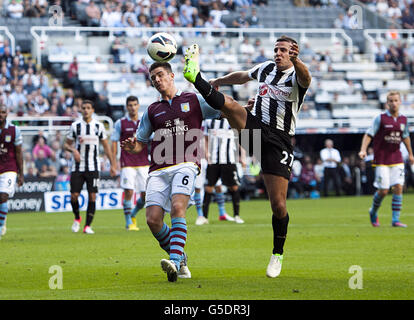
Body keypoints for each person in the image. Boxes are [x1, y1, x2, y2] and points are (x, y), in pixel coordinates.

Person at [183, 35, 311, 278]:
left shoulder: (297, 75)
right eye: (276, 49)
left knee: (279, 205)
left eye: (283, 50)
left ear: (293, 52)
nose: (278, 53)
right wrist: (219, 80)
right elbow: (242, 76)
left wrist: (299, 61)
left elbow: (307, 78)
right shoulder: (266, 68)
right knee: (230, 106)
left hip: (280, 141)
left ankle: (277, 254)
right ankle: (195, 77)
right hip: (255, 131)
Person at [121, 61, 222, 282]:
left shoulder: (193, 100)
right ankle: (181, 257)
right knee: (153, 220)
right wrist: (132, 146)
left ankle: (174, 262)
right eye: (153, 78)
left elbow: (222, 106)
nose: (157, 80)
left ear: (172, 76)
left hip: (186, 164)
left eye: (160, 75)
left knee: (178, 207)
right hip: (158, 169)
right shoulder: (152, 110)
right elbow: (141, 142)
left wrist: (246, 108)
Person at [359, 91, 414, 228]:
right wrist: (363, 149)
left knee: (398, 187)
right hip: (382, 159)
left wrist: (411, 154)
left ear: (400, 102)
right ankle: (373, 211)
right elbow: (369, 134)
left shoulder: (403, 120)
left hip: (397, 158)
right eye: (391, 101)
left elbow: (406, 137)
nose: (393, 103)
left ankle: (395, 220)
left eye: (396, 100)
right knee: (383, 190)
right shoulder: (380, 118)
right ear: (387, 103)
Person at [63, 100, 117, 234]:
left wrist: (113, 165)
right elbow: (66, 144)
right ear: (81, 110)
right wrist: (73, 150)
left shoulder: (98, 126)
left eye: (88, 108)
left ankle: (87, 226)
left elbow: (106, 146)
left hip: (93, 167)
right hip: (77, 167)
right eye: (84, 108)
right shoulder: (75, 126)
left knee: (92, 196)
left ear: (93, 110)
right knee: (74, 196)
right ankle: (77, 218)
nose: (86, 110)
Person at [111, 96, 149, 231]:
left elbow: (150, 139)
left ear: (138, 106)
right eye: (130, 105)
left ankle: (133, 214)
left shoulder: (144, 121)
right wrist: (114, 163)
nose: (133, 107)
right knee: (129, 191)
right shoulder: (120, 123)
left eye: (135, 105)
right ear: (126, 107)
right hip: (127, 162)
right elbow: (114, 141)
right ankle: (128, 222)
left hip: (144, 162)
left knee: (146, 195)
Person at [202, 118, 245, 224]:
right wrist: (207, 154)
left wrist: (243, 156)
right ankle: (204, 218)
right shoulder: (209, 121)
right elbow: (205, 139)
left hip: (229, 160)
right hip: (214, 160)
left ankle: (237, 216)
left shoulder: (232, 121)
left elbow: (239, 140)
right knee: (208, 188)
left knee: (234, 187)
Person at [0, 105, 24, 239]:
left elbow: (19, 152)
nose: (0, 115)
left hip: (9, 167)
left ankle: (0, 227)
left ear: (7, 113)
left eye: (3, 112)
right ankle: (2, 220)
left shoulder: (14, 130)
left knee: (3, 196)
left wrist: (21, 173)